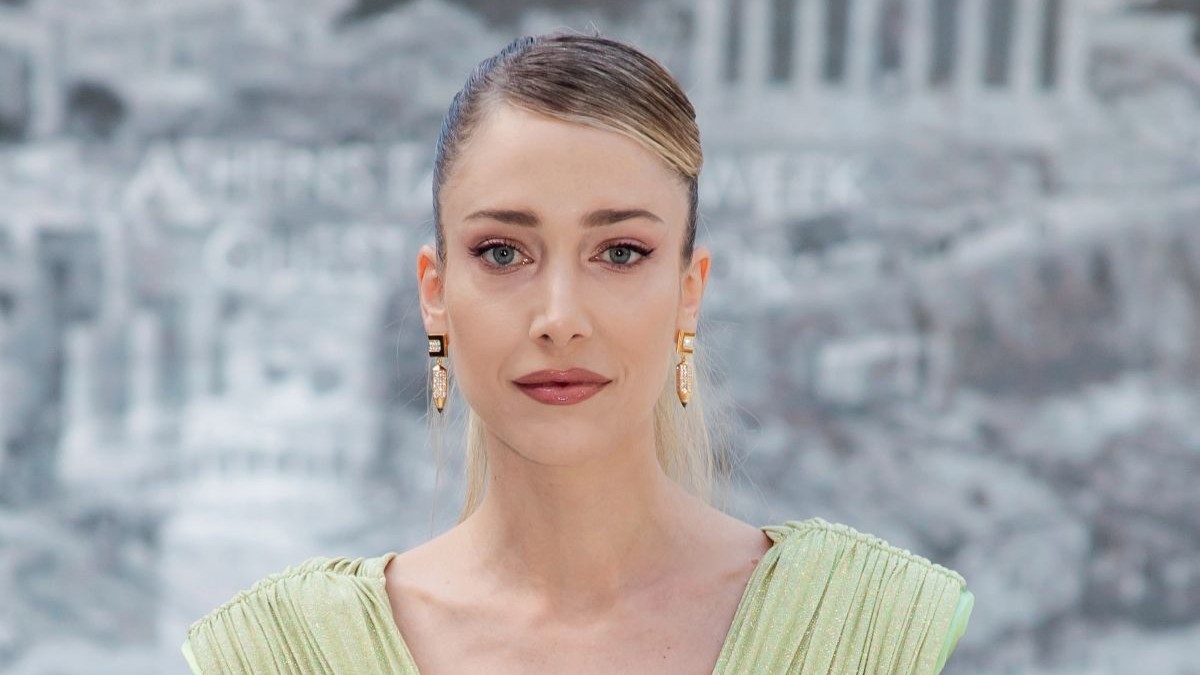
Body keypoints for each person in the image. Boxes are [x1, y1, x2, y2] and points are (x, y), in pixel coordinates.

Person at [181, 32, 973, 674]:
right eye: (502, 252)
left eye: (620, 252)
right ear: (435, 291)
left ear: (689, 290)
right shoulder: (282, 653)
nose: (559, 318)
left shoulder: (873, 629)